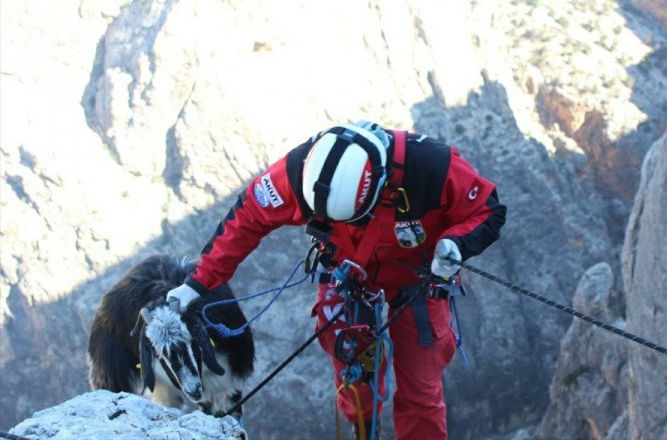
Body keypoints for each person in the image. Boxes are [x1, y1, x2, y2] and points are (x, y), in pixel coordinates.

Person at [166, 121, 506, 439]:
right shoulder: (301, 170)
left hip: (419, 276)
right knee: (353, 369)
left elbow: (487, 209)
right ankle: (364, 430)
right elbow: (248, 217)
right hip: (348, 273)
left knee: (421, 385)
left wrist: (457, 245)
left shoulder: (430, 166)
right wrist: (197, 284)